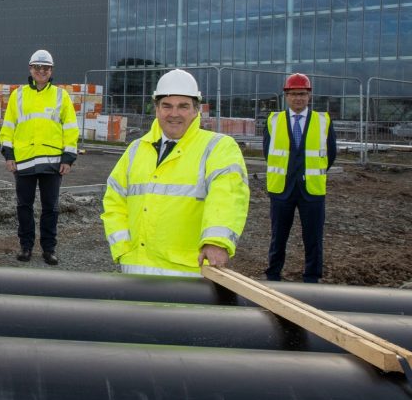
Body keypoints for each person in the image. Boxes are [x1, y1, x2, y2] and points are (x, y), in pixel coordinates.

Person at [102, 69, 249, 276]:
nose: (174, 114)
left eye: (183, 106)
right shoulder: (137, 149)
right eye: (167, 106)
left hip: (188, 273)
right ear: (156, 109)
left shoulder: (217, 147)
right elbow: (114, 199)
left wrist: (216, 241)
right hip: (135, 269)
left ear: (196, 110)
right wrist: (123, 248)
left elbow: (228, 195)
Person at [0, 49, 78, 265]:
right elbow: (8, 128)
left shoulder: (61, 96)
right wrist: (9, 154)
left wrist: (68, 157)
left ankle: (49, 249)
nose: (41, 71)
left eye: (45, 68)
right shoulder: (19, 95)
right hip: (23, 161)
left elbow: (70, 129)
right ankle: (26, 247)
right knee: (24, 207)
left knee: (50, 208)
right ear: (30, 69)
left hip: (52, 163)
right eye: (37, 67)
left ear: (51, 71)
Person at [264, 73, 337, 284]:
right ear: (286, 96)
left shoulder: (323, 121)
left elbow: (330, 154)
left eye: (302, 94)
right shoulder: (273, 120)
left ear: (309, 96)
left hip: (312, 190)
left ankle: (312, 276)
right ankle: (273, 274)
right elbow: (268, 153)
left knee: (313, 238)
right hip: (281, 189)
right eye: (294, 94)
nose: (298, 98)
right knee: (278, 236)